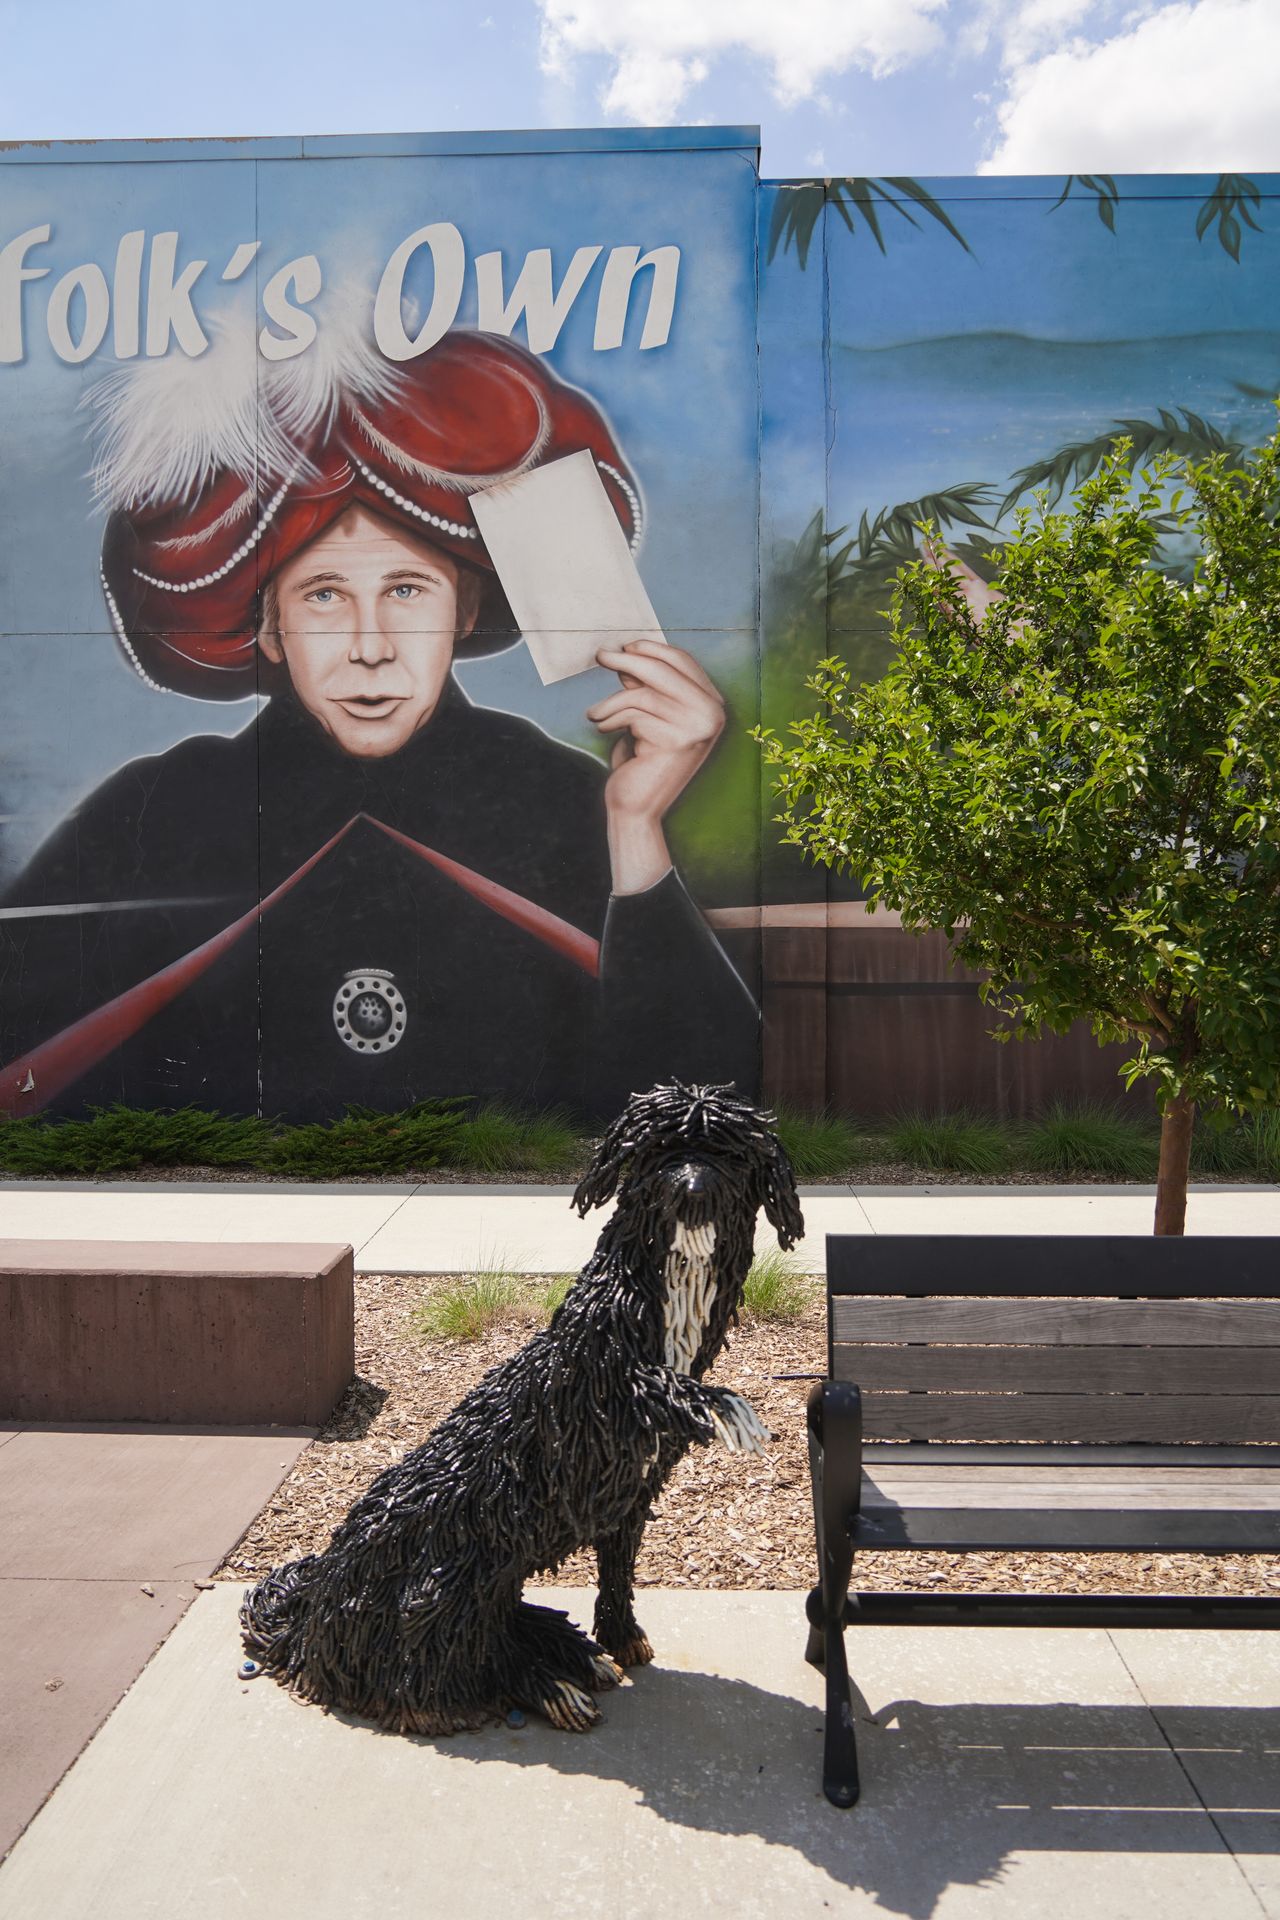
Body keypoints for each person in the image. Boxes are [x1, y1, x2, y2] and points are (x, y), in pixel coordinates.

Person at [0, 329, 757, 1121]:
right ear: (268, 628)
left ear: (465, 610)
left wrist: (636, 826)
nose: (370, 648)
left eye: (407, 591)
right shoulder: (153, 814)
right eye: (324, 595)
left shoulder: (567, 796)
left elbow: (702, 1111)